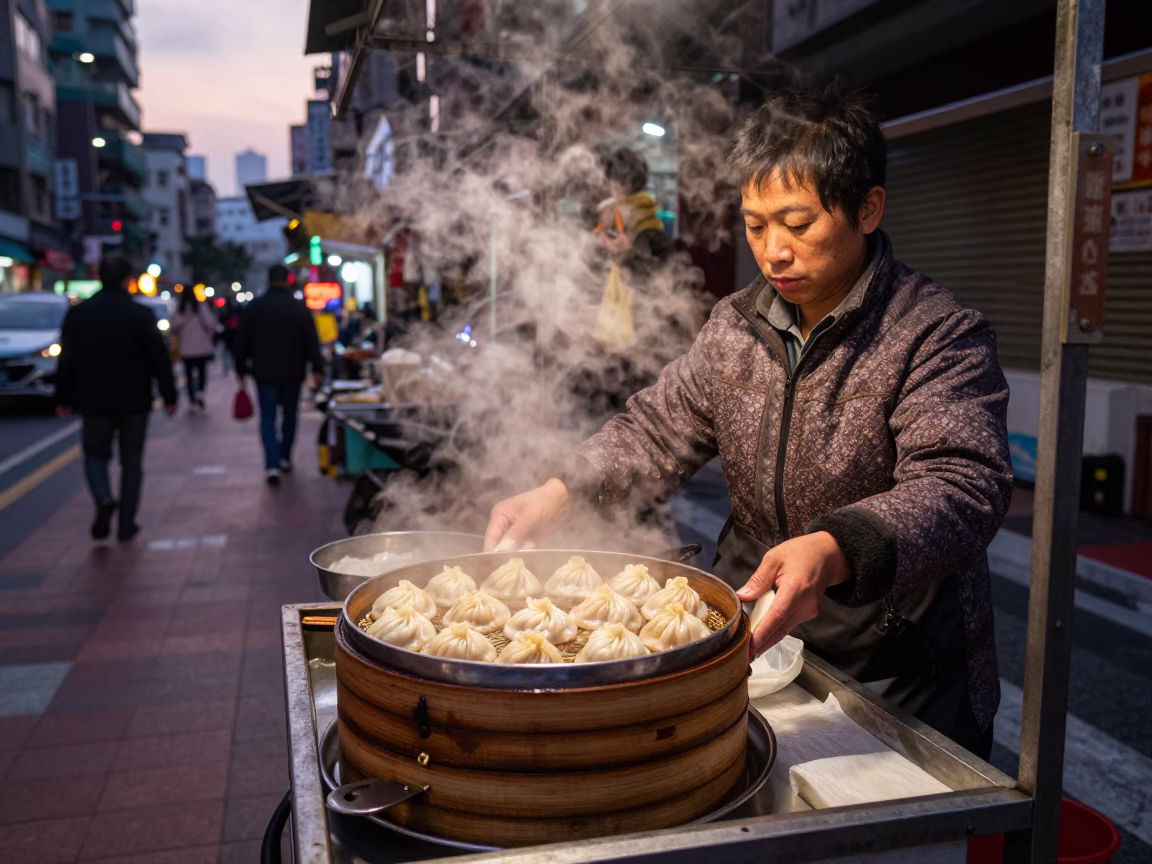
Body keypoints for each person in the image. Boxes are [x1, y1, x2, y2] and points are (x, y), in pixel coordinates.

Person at [484, 81, 1012, 759]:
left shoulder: (935, 332)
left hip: (895, 663)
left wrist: (833, 549)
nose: (773, 251)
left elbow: (963, 485)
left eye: (797, 224)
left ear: (868, 208)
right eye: (755, 225)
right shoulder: (735, 326)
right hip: (755, 637)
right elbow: (657, 429)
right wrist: (561, 489)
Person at [55, 256, 178, 541]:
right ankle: (126, 523)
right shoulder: (140, 315)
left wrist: (63, 396)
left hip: (93, 400)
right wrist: (169, 394)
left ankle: (103, 498)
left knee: (95, 455)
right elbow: (159, 360)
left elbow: (67, 359)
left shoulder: (80, 314)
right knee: (131, 461)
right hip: (135, 400)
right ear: (127, 279)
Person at [233, 264, 324, 485]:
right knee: (290, 416)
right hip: (294, 372)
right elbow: (312, 340)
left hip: (264, 372)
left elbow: (241, 341)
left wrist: (240, 368)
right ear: (288, 280)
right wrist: (317, 368)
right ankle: (284, 456)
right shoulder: (299, 308)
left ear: (268, 279)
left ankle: (272, 463)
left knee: (267, 417)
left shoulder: (255, 307)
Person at [171, 289, 218, 411]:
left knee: (188, 374)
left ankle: (192, 398)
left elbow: (173, 327)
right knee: (202, 372)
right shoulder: (200, 307)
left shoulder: (180, 308)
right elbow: (211, 323)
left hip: (186, 349)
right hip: (201, 347)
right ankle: (200, 392)